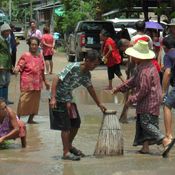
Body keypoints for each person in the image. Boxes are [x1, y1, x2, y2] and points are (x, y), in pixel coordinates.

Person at [112, 40, 175, 157]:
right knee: (142, 123)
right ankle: (145, 147)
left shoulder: (145, 71)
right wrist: (119, 88)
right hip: (151, 100)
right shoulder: (143, 66)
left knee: (146, 124)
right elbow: (133, 80)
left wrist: (132, 99)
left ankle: (164, 140)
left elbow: (144, 90)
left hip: (149, 101)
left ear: (138, 57)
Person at [49, 50, 106, 161]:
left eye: (97, 65)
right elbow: (56, 78)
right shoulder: (73, 67)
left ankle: (69, 145)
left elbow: (90, 89)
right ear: (87, 61)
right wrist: (53, 98)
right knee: (65, 126)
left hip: (69, 98)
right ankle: (65, 153)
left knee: (76, 123)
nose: (95, 67)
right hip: (59, 99)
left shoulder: (87, 74)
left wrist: (99, 104)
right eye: (94, 64)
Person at [14, 37, 50, 124]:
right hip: (27, 83)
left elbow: (42, 70)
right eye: (32, 44)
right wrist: (16, 69)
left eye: (35, 45)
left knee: (35, 103)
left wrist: (45, 81)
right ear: (29, 45)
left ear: (38, 46)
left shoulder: (40, 57)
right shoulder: (25, 55)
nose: (34, 46)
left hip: (37, 84)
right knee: (23, 101)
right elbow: (19, 65)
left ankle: (30, 119)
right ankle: (17, 119)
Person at [162, 36, 175, 141]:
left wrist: (163, 91)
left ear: (165, 47)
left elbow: (168, 73)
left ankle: (168, 135)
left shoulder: (168, 55)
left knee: (167, 106)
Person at [0, 23, 12, 104]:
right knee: (2, 83)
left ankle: (6, 100)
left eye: (9, 31)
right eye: (7, 31)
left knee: (7, 82)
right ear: (3, 31)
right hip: (2, 64)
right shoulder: (0, 40)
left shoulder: (6, 40)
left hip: (7, 64)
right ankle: (1, 101)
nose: (9, 33)